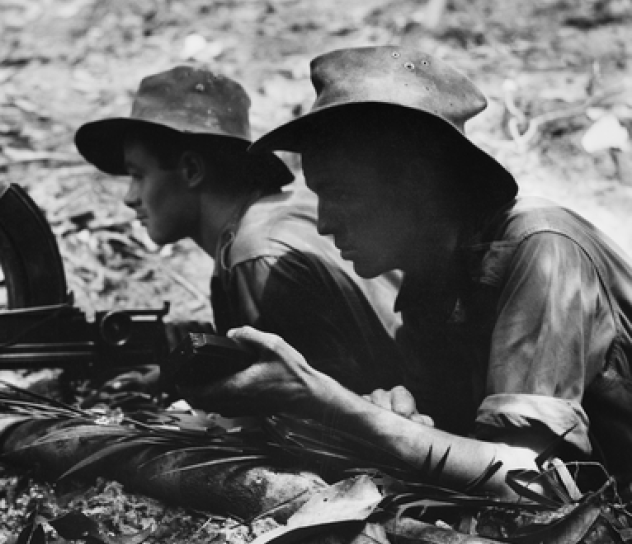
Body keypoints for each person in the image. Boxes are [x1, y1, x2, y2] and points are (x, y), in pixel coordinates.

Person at [185, 45, 632, 497]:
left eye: (339, 193)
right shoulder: (430, 280)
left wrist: (327, 401)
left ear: (416, 181)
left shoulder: (542, 246)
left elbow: (530, 483)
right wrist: (397, 413)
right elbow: (452, 437)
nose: (323, 222)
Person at [74, 65, 407, 396]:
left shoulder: (257, 253)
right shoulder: (279, 216)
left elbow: (314, 403)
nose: (130, 197)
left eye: (139, 175)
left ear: (191, 170)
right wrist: (169, 378)